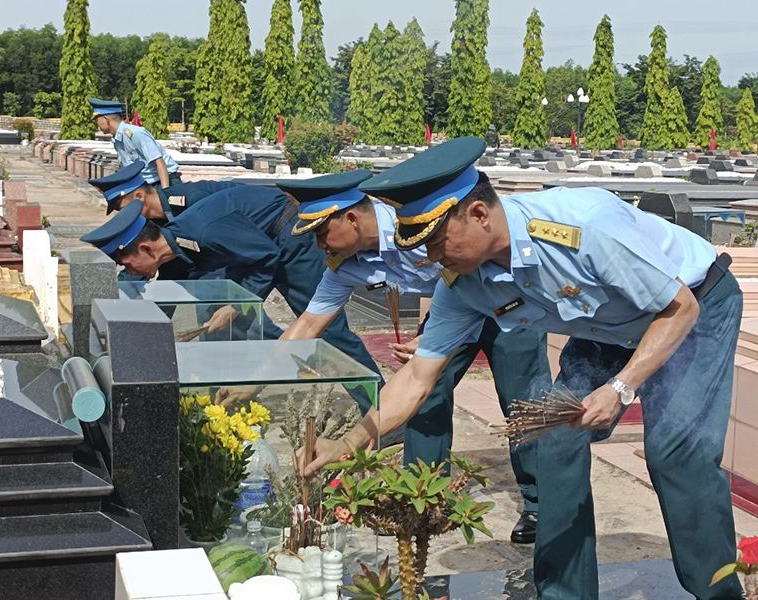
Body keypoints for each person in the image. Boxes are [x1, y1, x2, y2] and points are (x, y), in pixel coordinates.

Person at [296, 137, 742, 600]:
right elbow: (416, 378)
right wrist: (348, 441)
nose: (430, 259)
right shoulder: (463, 284)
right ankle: (565, 594)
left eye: (436, 241)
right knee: (552, 439)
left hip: (693, 306)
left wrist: (621, 388)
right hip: (608, 327)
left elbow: (679, 307)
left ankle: (720, 592)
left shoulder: (582, 228)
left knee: (676, 453)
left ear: (479, 215)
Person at [273, 168, 550, 544]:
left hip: (507, 305)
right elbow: (308, 324)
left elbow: (471, 261)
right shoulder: (346, 263)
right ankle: (423, 494)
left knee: (524, 403)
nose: (320, 245)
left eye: (322, 233)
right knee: (424, 396)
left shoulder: (418, 223)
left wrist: (432, 333)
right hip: (452, 311)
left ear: (351, 219)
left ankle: (540, 502)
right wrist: (258, 374)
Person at [79, 190, 382, 414]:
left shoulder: (204, 231)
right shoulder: (173, 249)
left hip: (289, 242)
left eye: (129, 266)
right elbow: (162, 302)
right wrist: (128, 341)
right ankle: (222, 408)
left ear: (145, 248)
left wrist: (235, 305)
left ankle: (381, 409)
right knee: (214, 311)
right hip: (255, 250)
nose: (131, 273)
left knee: (328, 329)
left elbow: (267, 257)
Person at [89, 160, 241, 218]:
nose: (125, 216)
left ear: (140, 197)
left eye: (124, 209)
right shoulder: (160, 214)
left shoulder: (192, 200)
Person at [88, 97, 181, 190]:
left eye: (97, 120)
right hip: (146, 185)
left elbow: (159, 162)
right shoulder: (117, 139)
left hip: (164, 182)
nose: (97, 124)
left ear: (106, 119)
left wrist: (166, 192)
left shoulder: (136, 134)